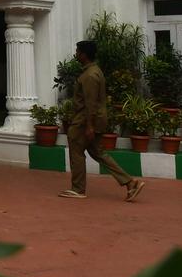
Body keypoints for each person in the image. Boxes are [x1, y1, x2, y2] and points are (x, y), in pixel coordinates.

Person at [60, 40, 146, 201]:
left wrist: (89, 126)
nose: (76, 54)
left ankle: (78, 188)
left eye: (78, 51)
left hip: (84, 121)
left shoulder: (90, 75)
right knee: (99, 153)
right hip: (93, 120)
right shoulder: (94, 71)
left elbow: (90, 103)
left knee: (76, 153)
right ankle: (129, 182)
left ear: (84, 54)